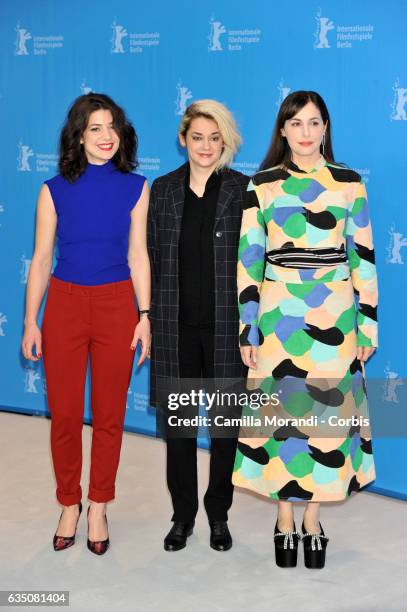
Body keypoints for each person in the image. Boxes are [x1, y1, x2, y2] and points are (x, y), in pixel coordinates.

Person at [232, 91, 378, 569]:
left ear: (326, 129)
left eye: (315, 123)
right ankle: (282, 517)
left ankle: (312, 517)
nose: (306, 133)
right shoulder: (262, 185)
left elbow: (364, 260)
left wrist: (367, 326)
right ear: (282, 131)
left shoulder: (349, 183)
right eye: (296, 123)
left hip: (334, 314)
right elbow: (249, 261)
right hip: (278, 316)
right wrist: (246, 329)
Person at [21, 93, 151, 555]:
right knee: (66, 415)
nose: (106, 136)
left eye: (112, 126)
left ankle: (99, 504)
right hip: (65, 305)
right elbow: (39, 260)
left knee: (111, 416)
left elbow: (138, 255)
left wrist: (145, 315)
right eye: (95, 128)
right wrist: (30, 323)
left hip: (118, 305)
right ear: (78, 135)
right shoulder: (52, 190)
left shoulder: (137, 188)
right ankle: (69, 503)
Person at [147, 100, 249, 552]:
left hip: (227, 331)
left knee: (225, 430)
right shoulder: (163, 190)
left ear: (224, 142)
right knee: (181, 430)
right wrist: (145, 318)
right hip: (175, 329)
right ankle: (182, 516)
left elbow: (255, 265)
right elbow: (150, 259)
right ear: (183, 139)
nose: (205, 146)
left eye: (214, 138)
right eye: (197, 137)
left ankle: (218, 516)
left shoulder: (243, 190)